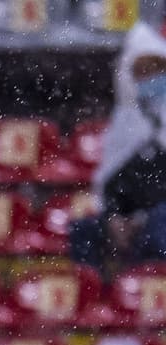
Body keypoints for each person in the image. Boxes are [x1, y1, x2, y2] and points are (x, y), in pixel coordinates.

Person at [71, 23, 166, 275]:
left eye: (157, 70)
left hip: (157, 214)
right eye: (143, 71)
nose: (151, 78)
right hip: (126, 213)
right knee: (84, 229)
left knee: (159, 227)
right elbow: (113, 179)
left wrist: (140, 219)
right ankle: (96, 297)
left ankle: (143, 294)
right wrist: (114, 216)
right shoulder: (124, 123)